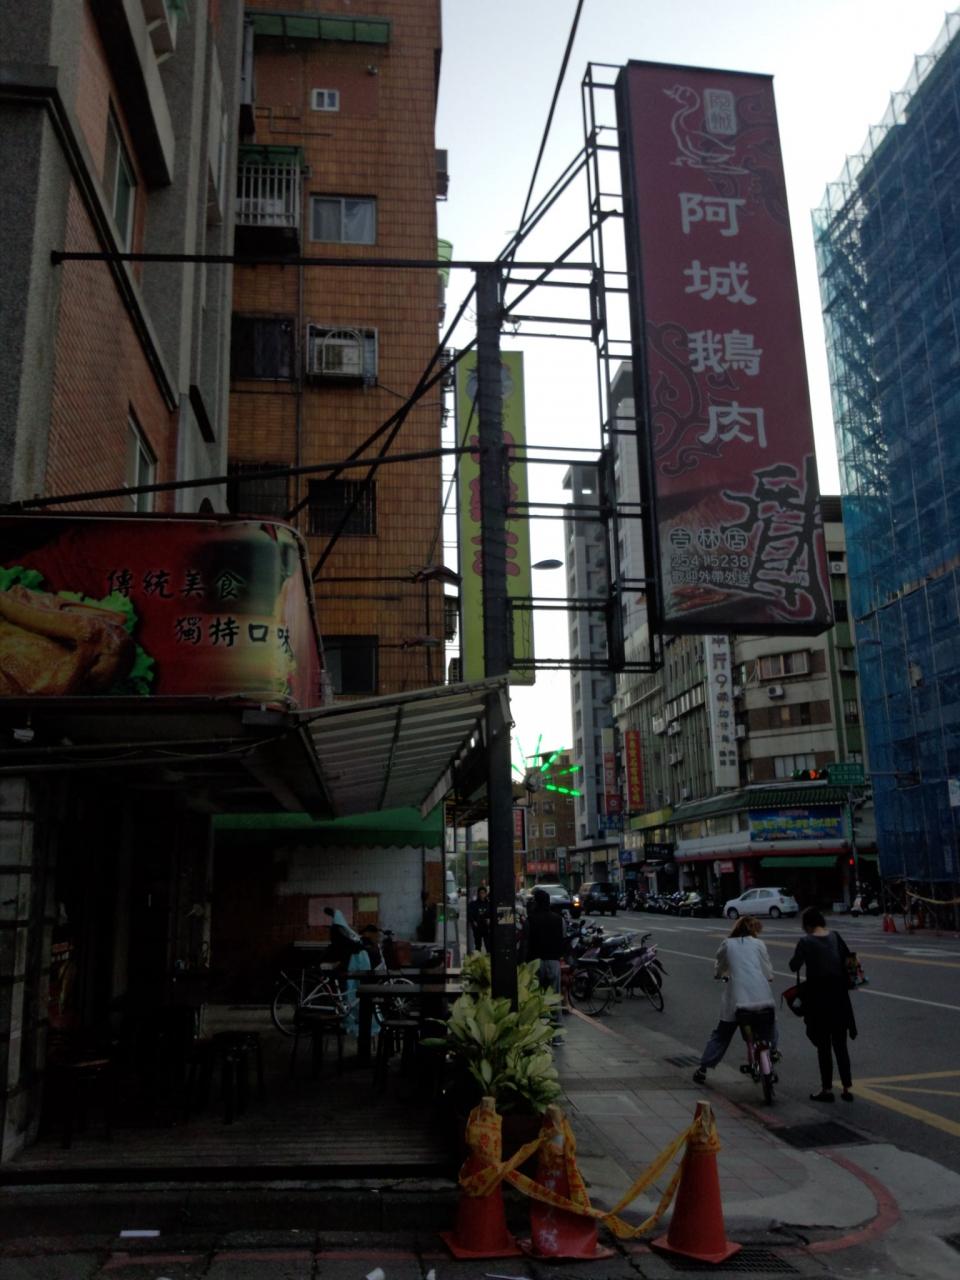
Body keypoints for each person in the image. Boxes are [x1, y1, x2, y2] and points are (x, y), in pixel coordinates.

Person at [692, 916, 777, 1086]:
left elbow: (720, 963)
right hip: (762, 997)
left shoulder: (728, 944)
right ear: (754, 930)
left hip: (737, 1001)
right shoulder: (759, 944)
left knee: (722, 1035)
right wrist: (768, 976)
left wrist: (718, 974)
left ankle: (703, 1069)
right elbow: (767, 969)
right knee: (770, 1025)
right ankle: (773, 1051)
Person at [789, 906, 857, 1102]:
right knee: (840, 1044)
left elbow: (794, 965)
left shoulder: (806, 941)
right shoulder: (835, 937)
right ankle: (846, 1088)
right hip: (840, 998)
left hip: (818, 999)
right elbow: (850, 961)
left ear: (807, 924)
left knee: (823, 1046)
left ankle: (826, 1089)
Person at [525, 887, 567, 1031]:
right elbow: (563, 939)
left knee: (534, 999)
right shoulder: (559, 919)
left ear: (537, 903)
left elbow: (525, 943)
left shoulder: (530, 920)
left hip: (535, 963)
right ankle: (556, 1034)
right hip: (553, 962)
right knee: (554, 998)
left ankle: (536, 1032)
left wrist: (522, 962)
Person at [467, 885, 491, 952]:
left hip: (486, 927)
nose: (482, 894)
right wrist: (473, 922)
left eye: (483, 893)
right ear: (478, 894)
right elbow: (470, 914)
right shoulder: (473, 904)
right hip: (478, 927)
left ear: (486, 894)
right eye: (480, 893)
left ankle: (488, 956)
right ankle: (478, 956)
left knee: (488, 945)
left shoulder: (489, 904)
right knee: (478, 945)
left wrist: (489, 920)